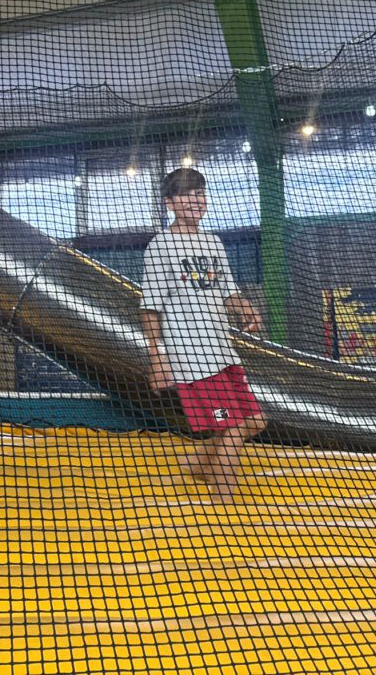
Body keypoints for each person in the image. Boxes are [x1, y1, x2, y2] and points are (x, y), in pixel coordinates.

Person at [139, 167, 266, 503]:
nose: (196, 200)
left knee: (255, 421)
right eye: (186, 194)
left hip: (221, 350)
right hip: (191, 356)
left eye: (200, 193)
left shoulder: (213, 242)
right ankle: (223, 503)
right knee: (232, 426)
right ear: (169, 203)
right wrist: (157, 357)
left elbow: (228, 292)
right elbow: (150, 307)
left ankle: (194, 465)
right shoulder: (161, 247)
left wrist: (245, 307)